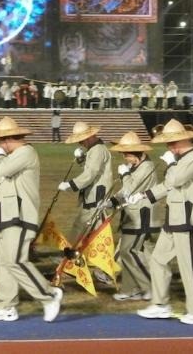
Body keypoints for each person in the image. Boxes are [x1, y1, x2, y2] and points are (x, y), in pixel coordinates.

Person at [0, 117, 63, 322]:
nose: (0, 146)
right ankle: (6, 305)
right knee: (5, 264)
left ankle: (49, 295)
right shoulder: (15, 156)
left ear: (8, 139)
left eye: (1, 141)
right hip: (8, 215)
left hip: (20, 216)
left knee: (16, 261)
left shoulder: (26, 152)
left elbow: (1, 170)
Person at [134, 119, 193, 325]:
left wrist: (171, 163)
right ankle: (160, 304)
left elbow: (175, 180)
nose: (169, 146)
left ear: (182, 141)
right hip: (175, 218)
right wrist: (144, 196)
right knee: (158, 259)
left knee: (189, 266)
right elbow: (168, 185)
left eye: (172, 142)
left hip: (188, 219)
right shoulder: (181, 159)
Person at [57, 121, 113, 284]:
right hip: (92, 196)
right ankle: (70, 261)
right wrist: (82, 159)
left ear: (89, 137)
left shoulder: (98, 150)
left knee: (97, 234)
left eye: (81, 140)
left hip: (97, 197)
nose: (80, 143)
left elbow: (90, 174)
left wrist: (70, 185)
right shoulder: (94, 150)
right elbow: (91, 168)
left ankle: (101, 269)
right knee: (82, 229)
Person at [108, 132, 162, 301]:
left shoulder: (146, 167)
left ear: (136, 153)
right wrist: (112, 201)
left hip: (142, 217)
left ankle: (148, 287)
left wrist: (124, 175)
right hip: (132, 216)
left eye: (127, 155)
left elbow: (130, 189)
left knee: (130, 252)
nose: (125, 158)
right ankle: (130, 289)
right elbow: (125, 191)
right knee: (126, 252)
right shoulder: (135, 166)